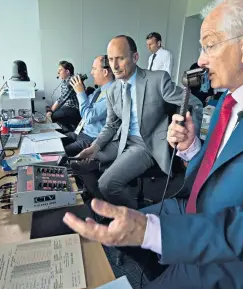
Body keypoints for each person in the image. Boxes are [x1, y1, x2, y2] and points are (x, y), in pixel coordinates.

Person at [63, 0, 243, 289]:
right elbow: (218, 170)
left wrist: (153, 233)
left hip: (238, 266)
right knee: (121, 233)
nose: (200, 59)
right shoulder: (231, 99)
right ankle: (167, 271)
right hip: (195, 213)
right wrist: (192, 148)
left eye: (209, 45)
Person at [73, 35, 202, 209]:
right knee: (82, 165)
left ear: (135, 57)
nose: (115, 66)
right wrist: (94, 147)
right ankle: (106, 207)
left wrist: (188, 135)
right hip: (122, 141)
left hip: (145, 144)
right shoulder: (113, 90)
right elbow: (111, 125)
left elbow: (195, 103)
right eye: (111, 60)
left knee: (107, 183)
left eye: (120, 58)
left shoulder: (158, 79)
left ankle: (136, 218)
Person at [62, 55, 114, 157]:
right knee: (55, 141)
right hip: (81, 132)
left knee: (61, 152)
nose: (91, 72)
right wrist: (82, 89)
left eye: (94, 69)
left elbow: (89, 116)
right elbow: (85, 109)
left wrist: (80, 93)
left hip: (91, 138)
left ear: (105, 72)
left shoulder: (112, 93)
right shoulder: (99, 90)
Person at [47, 61, 81, 130]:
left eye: (60, 70)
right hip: (67, 107)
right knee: (53, 113)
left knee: (53, 116)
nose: (58, 73)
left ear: (67, 71)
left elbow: (61, 99)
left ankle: (68, 130)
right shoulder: (64, 81)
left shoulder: (72, 81)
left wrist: (50, 111)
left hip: (74, 108)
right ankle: (67, 129)